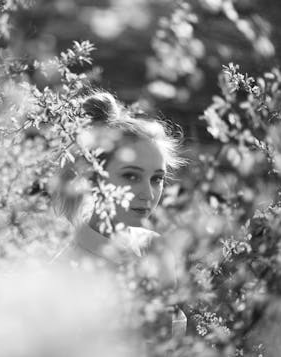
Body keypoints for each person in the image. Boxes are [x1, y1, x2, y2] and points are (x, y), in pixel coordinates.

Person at [51, 90, 187, 341]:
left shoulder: (153, 247)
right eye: (131, 176)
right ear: (93, 177)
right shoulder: (66, 273)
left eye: (157, 179)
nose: (148, 194)